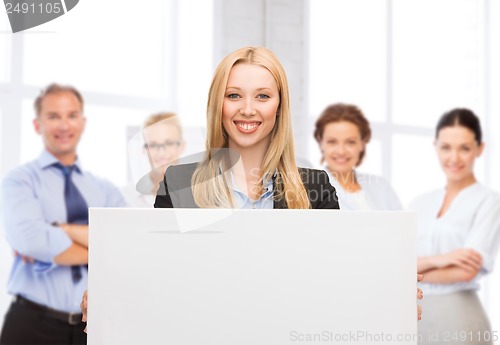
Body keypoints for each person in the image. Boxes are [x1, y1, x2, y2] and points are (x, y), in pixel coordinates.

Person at [0, 83, 127, 345]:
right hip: (32, 326)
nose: (64, 125)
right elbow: (32, 240)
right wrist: (102, 247)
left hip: (93, 327)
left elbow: (129, 244)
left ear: (83, 122)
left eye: (71, 115)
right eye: (53, 116)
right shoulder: (20, 181)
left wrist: (62, 230)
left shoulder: (105, 190)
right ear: (37, 125)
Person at [154, 46, 340, 209]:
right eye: (234, 96)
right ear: (217, 104)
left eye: (263, 96)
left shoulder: (317, 189)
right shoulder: (178, 184)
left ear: (279, 107)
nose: (248, 110)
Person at [410, 108, 500, 345]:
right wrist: (441, 259)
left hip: (460, 319)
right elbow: (397, 264)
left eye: (465, 148)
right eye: (446, 147)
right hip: (414, 318)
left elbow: (466, 270)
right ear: (436, 146)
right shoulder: (419, 203)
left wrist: (414, 268)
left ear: (479, 149)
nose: (454, 158)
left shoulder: (488, 201)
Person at [314, 103, 402, 210]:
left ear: (362, 143)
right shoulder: (313, 190)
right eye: (332, 142)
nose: (341, 151)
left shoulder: (382, 187)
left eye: (350, 142)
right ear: (320, 143)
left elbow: (404, 225)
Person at [122, 113, 185, 207]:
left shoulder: (200, 195)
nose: (161, 153)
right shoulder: (125, 196)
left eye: (169, 143)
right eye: (153, 145)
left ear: (181, 146)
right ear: (144, 149)